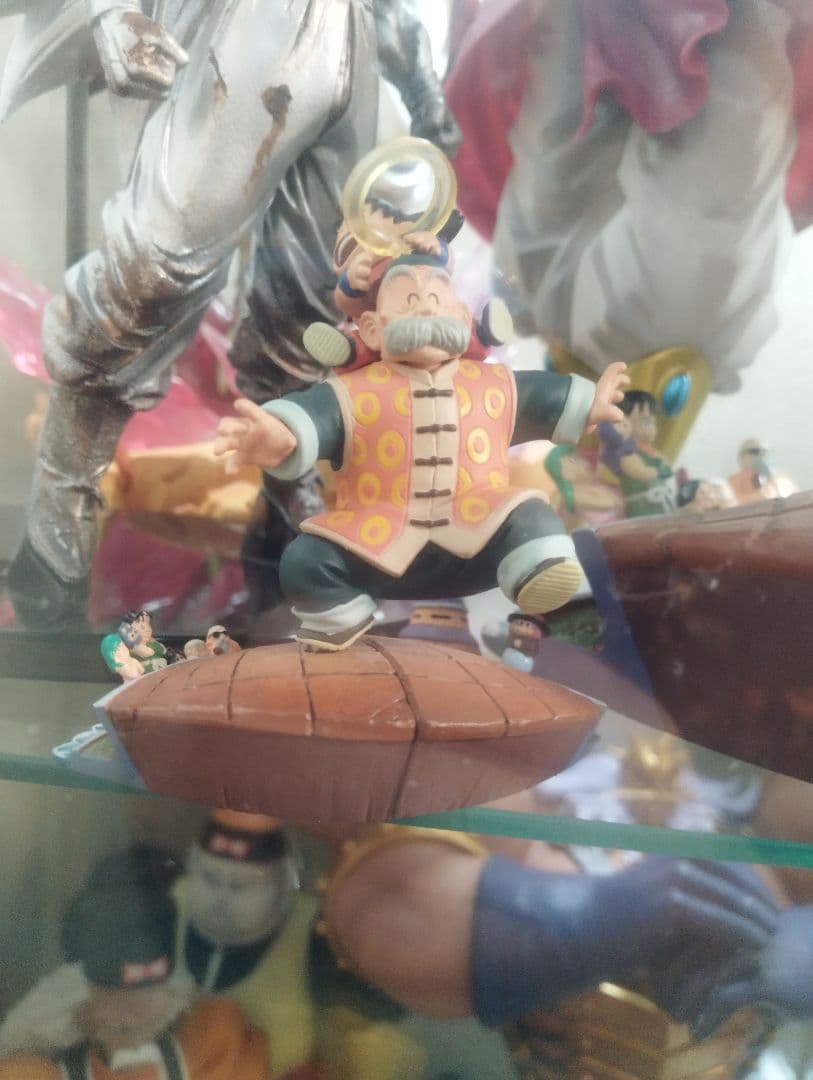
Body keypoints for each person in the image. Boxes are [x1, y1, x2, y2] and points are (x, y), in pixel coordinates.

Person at [0, 0, 461, 620]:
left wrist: (417, 74)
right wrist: (109, 11)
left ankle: (288, 486)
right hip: (241, 27)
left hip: (348, 40)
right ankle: (61, 506)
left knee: (315, 290)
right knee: (157, 266)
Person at [216, 255, 629, 649]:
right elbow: (312, 417)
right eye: (410, 300)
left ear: (462, 317)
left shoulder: (494, 385)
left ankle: (534, 572)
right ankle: (340, 618)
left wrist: (590, 403)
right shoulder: (352, 393)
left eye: (435, 298)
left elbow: (543, 397)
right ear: (373, 329)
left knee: (533, 518)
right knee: (304, 560)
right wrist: (278, 434)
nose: (426, 309)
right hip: (375, 545)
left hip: (480, 538)